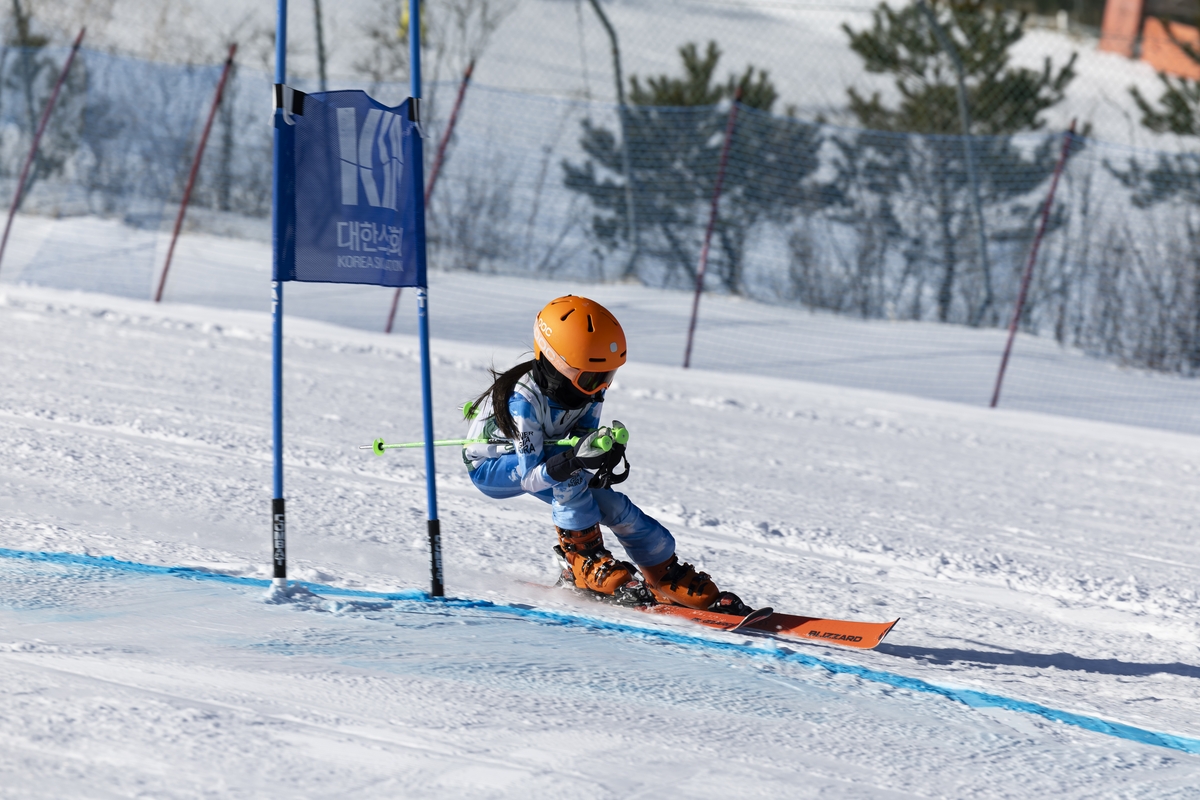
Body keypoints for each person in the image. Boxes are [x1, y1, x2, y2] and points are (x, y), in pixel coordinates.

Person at [462, 295, 750, 615]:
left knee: (614, 505)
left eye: (607, 376)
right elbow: (532, 477)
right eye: (591, 377)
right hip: (494, 467)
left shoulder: (590, 391)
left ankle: (662, 572)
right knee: (569, 483)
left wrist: (599, 457)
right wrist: (574, 461)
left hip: (554, 456)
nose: (600, 387)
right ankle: (584, 559)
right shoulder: (524, 401)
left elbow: (583, 442)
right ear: (557, 363)